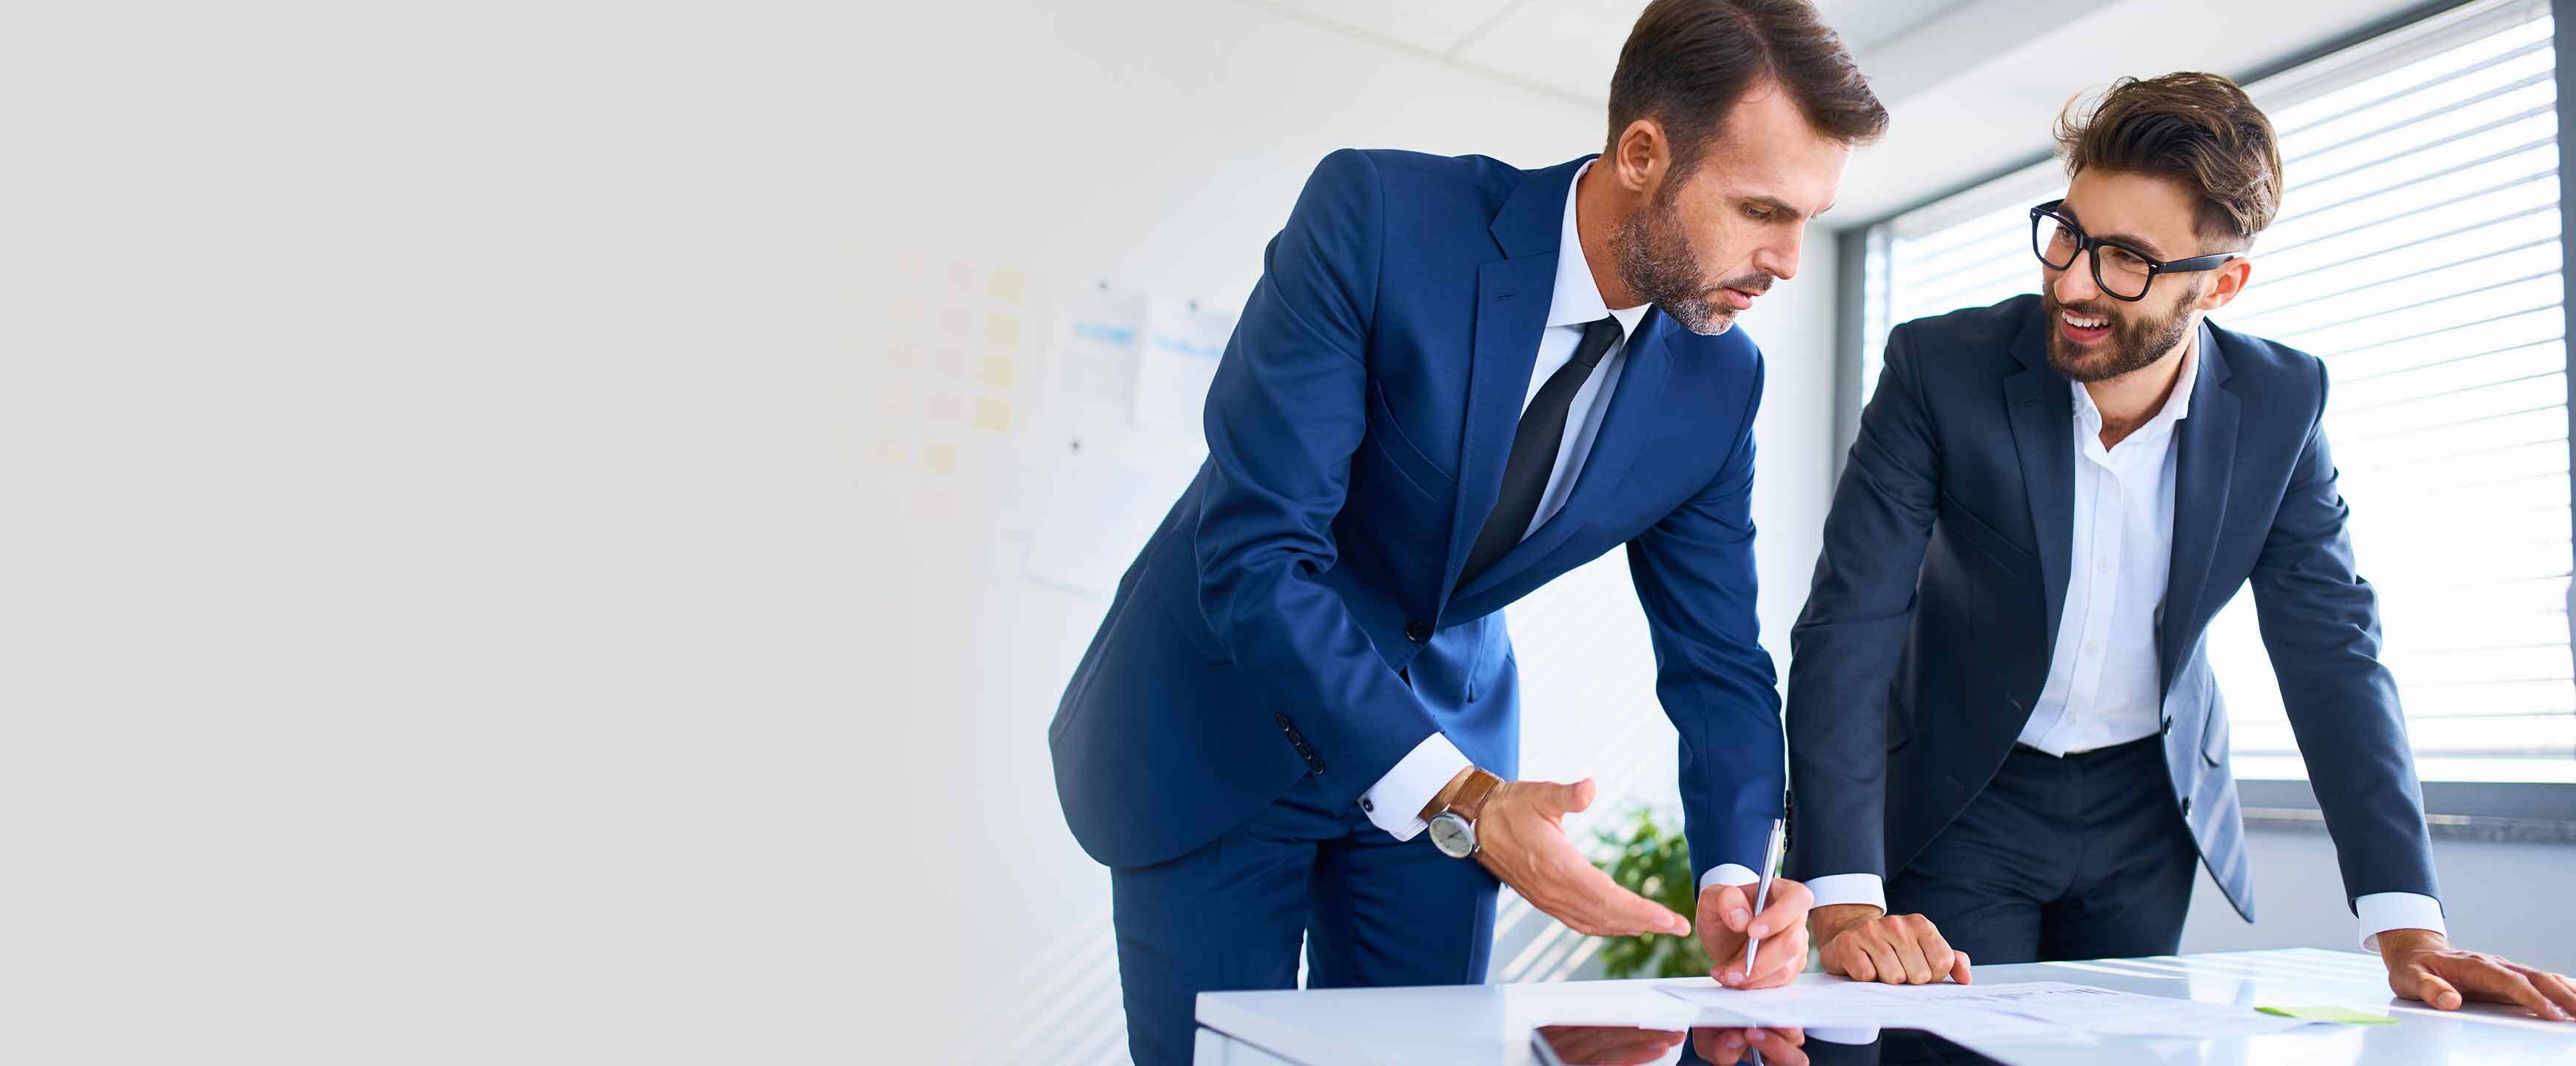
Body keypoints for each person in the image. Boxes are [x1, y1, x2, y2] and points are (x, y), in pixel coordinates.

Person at [1045, 1, 1886, 1060]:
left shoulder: (1720, 381)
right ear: (1642, 154)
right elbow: (1259, 552)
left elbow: (1719, 660)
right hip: (1220, 721)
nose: (1790, 260)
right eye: (1762, 209)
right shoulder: (1386, 218)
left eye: (1811, 217)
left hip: (1447, 737)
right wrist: (1466, 796)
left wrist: (1735, 879)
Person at [1785, 71, 2576, 1020]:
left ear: (2224, 283)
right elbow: (1851, 625)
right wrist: (1840, 898)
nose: (2073, 280)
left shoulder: (2284, 405)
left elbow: (2332, 652)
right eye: (2069, 234)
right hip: (1966, 797)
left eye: (2126, 260)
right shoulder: (1938, 369)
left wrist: (2410, 927)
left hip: (2147, 813)